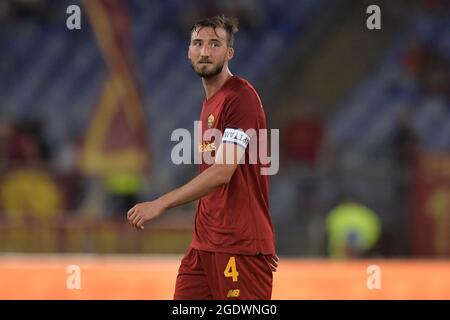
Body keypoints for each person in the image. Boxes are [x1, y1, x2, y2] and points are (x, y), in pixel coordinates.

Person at [127, 15, 278, 299]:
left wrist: (161, 203)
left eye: (214, 44)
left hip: (237, 245)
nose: (205, 51)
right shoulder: (212, 100)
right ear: (188, 51)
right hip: (204, 246)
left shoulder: (240, 97)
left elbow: (222, 172)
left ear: (229, 53)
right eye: (198, 43)